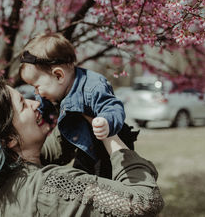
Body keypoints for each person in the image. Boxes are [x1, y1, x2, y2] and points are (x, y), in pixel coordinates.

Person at [0, 82, 164, 216]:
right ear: (8, 139)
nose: (35, 104)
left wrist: (75, 103)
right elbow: (144, 201)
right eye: (23, 105)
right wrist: (109, 134)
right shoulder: (51, 186)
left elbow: (54, 149)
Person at [19, 32, 138, 178]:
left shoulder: (92, 87)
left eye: (37, 86)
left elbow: (113, 106)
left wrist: (106, 121)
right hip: (83, 145)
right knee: (81, 178)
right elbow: (42, 105)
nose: (36, 92)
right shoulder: (57, 87)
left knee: (103, 184)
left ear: (58, 75)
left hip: (105, 149)